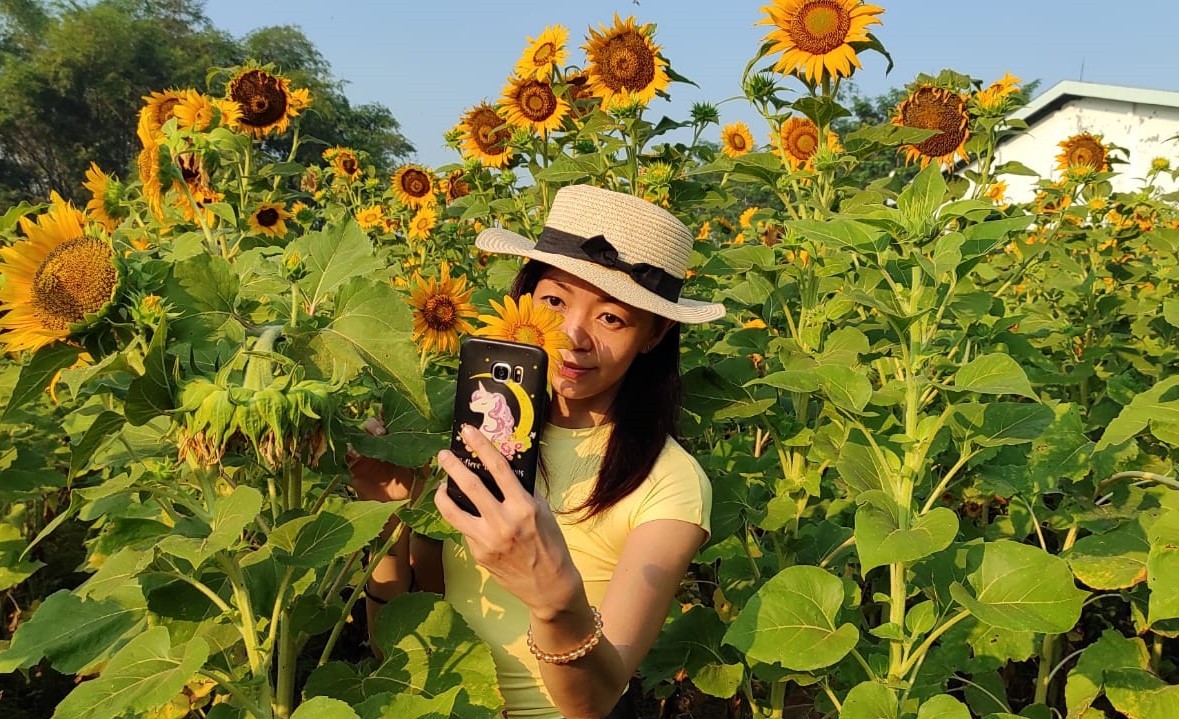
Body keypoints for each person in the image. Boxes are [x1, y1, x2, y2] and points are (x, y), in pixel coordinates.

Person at [349, 184, 726, 719]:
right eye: (554, 301)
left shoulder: (669, 482)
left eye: (611, 318)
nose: (571, 335)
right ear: (525, 297)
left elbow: (595, 700)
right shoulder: (474, 433)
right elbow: (403, 644)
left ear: (655, 333)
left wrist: (554, 598)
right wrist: (389, 516)